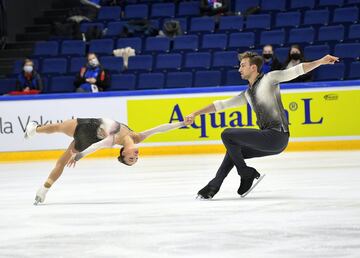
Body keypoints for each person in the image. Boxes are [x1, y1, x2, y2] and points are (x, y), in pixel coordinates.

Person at [185, 52, 339, 199]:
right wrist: (195, 113)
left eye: (243, 65)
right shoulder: (248, 94)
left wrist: (320, 61)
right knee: (233, 151)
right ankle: (214, 185)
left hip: (276, 136)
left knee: (227, 134)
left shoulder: (270, 79)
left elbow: (297, 71)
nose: (239, 69)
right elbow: (221, 105)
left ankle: (245, 173)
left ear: (253, 68)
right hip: (270, 141)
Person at [24, 118, 186, 204]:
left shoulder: (113, 140)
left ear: (123, 153)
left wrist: (78, 156)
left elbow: (96, 146)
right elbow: (159, 129)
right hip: (89, 125)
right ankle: (35, 129)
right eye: (135, 158)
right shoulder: (138, 137)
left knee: (63, 159)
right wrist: (182, 124)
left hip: (86, 131)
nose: (135, 156)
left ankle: (43, 190)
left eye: (131, 159)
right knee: (56, 128)